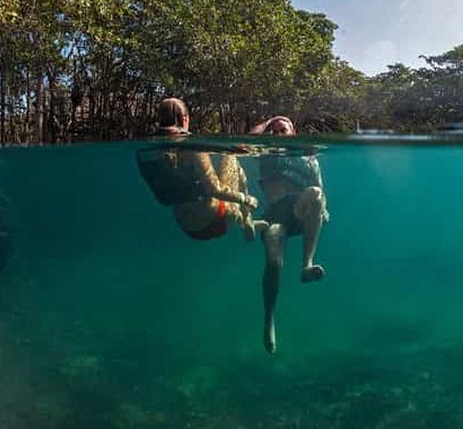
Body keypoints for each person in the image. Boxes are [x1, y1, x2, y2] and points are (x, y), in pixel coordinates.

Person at [250, 115, 329, 354]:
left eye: (282, 130)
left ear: (293, 132)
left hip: (298, 210)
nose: (277, 134)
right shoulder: (265, 151)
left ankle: (307, 265)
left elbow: (319, 187)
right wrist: (271, 120)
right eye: (273, 131)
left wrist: (322, 209)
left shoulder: (308, 156)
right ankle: (269, 321)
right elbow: (251, 137)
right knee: (274, 263)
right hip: (276, 215)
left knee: (316, 194)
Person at [138, 98, 264, 241]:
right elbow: (214, 190)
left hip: (186, 226)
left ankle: (242, 218)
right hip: (217, 222)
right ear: (185, 119)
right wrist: (246, 199)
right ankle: (246, 218)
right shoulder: (192, 146)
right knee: (230, 157)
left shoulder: (146, 150)